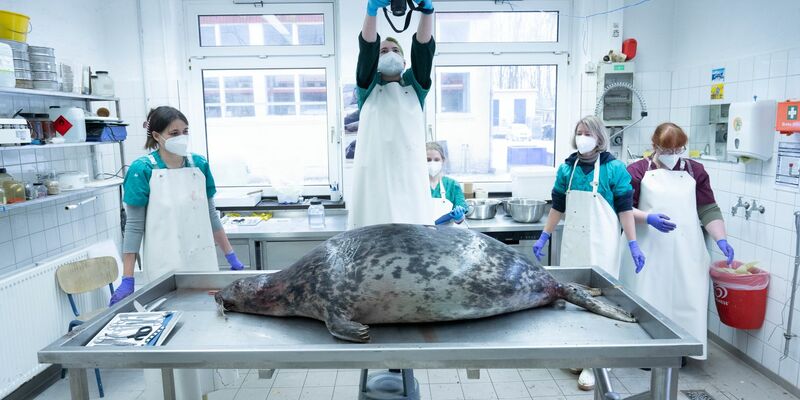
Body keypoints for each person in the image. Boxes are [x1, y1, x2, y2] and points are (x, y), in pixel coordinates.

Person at [108, 106, 244, 399]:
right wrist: (127, 278)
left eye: (185, 132)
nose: (181, 138)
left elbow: (211, 216)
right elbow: (133, 228)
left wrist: (230, 257)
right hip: (164, 268)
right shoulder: (142, 170)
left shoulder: (199, 165)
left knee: (205, 337)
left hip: (201, 263)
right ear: (156, 135)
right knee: (170, 341)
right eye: (174, 133)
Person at [531, 115, 644, 391]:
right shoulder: (567, 169)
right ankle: (578, 353)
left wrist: (633, 243)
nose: (582, 137)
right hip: (574, 247)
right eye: (579, 132)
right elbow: (558, 206)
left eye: (588, 133)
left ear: (599, 137)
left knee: (600, 305)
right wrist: (545, 235)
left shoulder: (614, 169)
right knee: (572, 300)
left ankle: (597, 364)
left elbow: (625, 210)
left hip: (603, 249)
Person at [620, 122, 733, 362]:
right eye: (668, 150)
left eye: (679, 149)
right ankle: (646, 354)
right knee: (649, 298)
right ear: (655, 146)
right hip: (648, 248)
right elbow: (623, 209)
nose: (673, 155)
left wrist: (721, 238)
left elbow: (707, 208)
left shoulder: (696, 171)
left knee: (687, 298)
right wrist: (648, 218)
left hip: (686, 249)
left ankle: (680, 351)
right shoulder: (638, 171)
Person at [347, 0, 436, 229]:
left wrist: (426, 13)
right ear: (375, 62)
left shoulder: (415, 87)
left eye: (395, 51)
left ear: (404, 61)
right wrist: (372, 11)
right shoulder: (367, 88)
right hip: (374, 185)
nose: (390, 54)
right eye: (383, 51)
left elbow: (423, 51)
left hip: (409, 184)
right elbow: (367, 48)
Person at [426, 142, 467, 225]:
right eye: (428, 160)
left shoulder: (452, 185)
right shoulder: (417, 186)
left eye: (436, 160)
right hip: (422, 235)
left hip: (446, 235)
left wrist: (459, 217)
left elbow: (460, 219)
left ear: (443, 161)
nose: (432, 163)